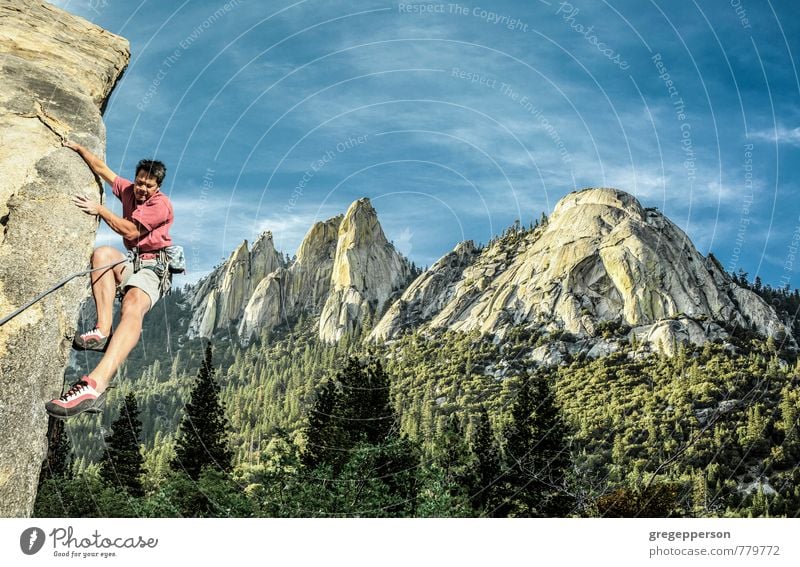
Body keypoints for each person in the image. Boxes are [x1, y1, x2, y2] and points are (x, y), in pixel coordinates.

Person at [45, 141, 174, 418]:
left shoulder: (160, 205)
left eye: (148, 186)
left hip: (155, 267)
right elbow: (103, 169)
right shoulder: (128, 190)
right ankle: (103, 329)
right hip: (133, 263)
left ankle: (95, 385)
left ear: (157, 187)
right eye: (139, 182)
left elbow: (129, 231)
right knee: (102, 254)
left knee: (132, 305)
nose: (141, 189)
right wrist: (79, 148)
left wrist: (100, 209)